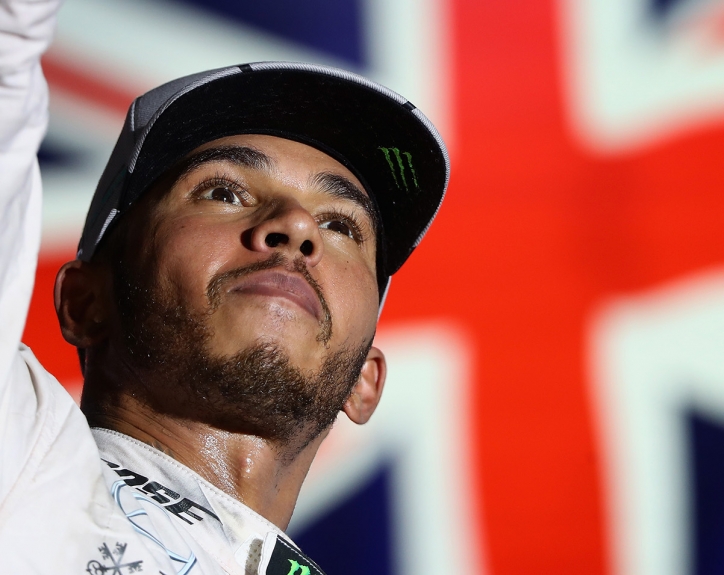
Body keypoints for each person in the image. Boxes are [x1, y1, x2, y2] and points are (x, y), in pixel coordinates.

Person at [0, 1, 449, 573]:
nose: (297, 225)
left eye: (340, 224)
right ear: (86, 301)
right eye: (223, 191)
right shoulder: (20, 467)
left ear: (365, 381)